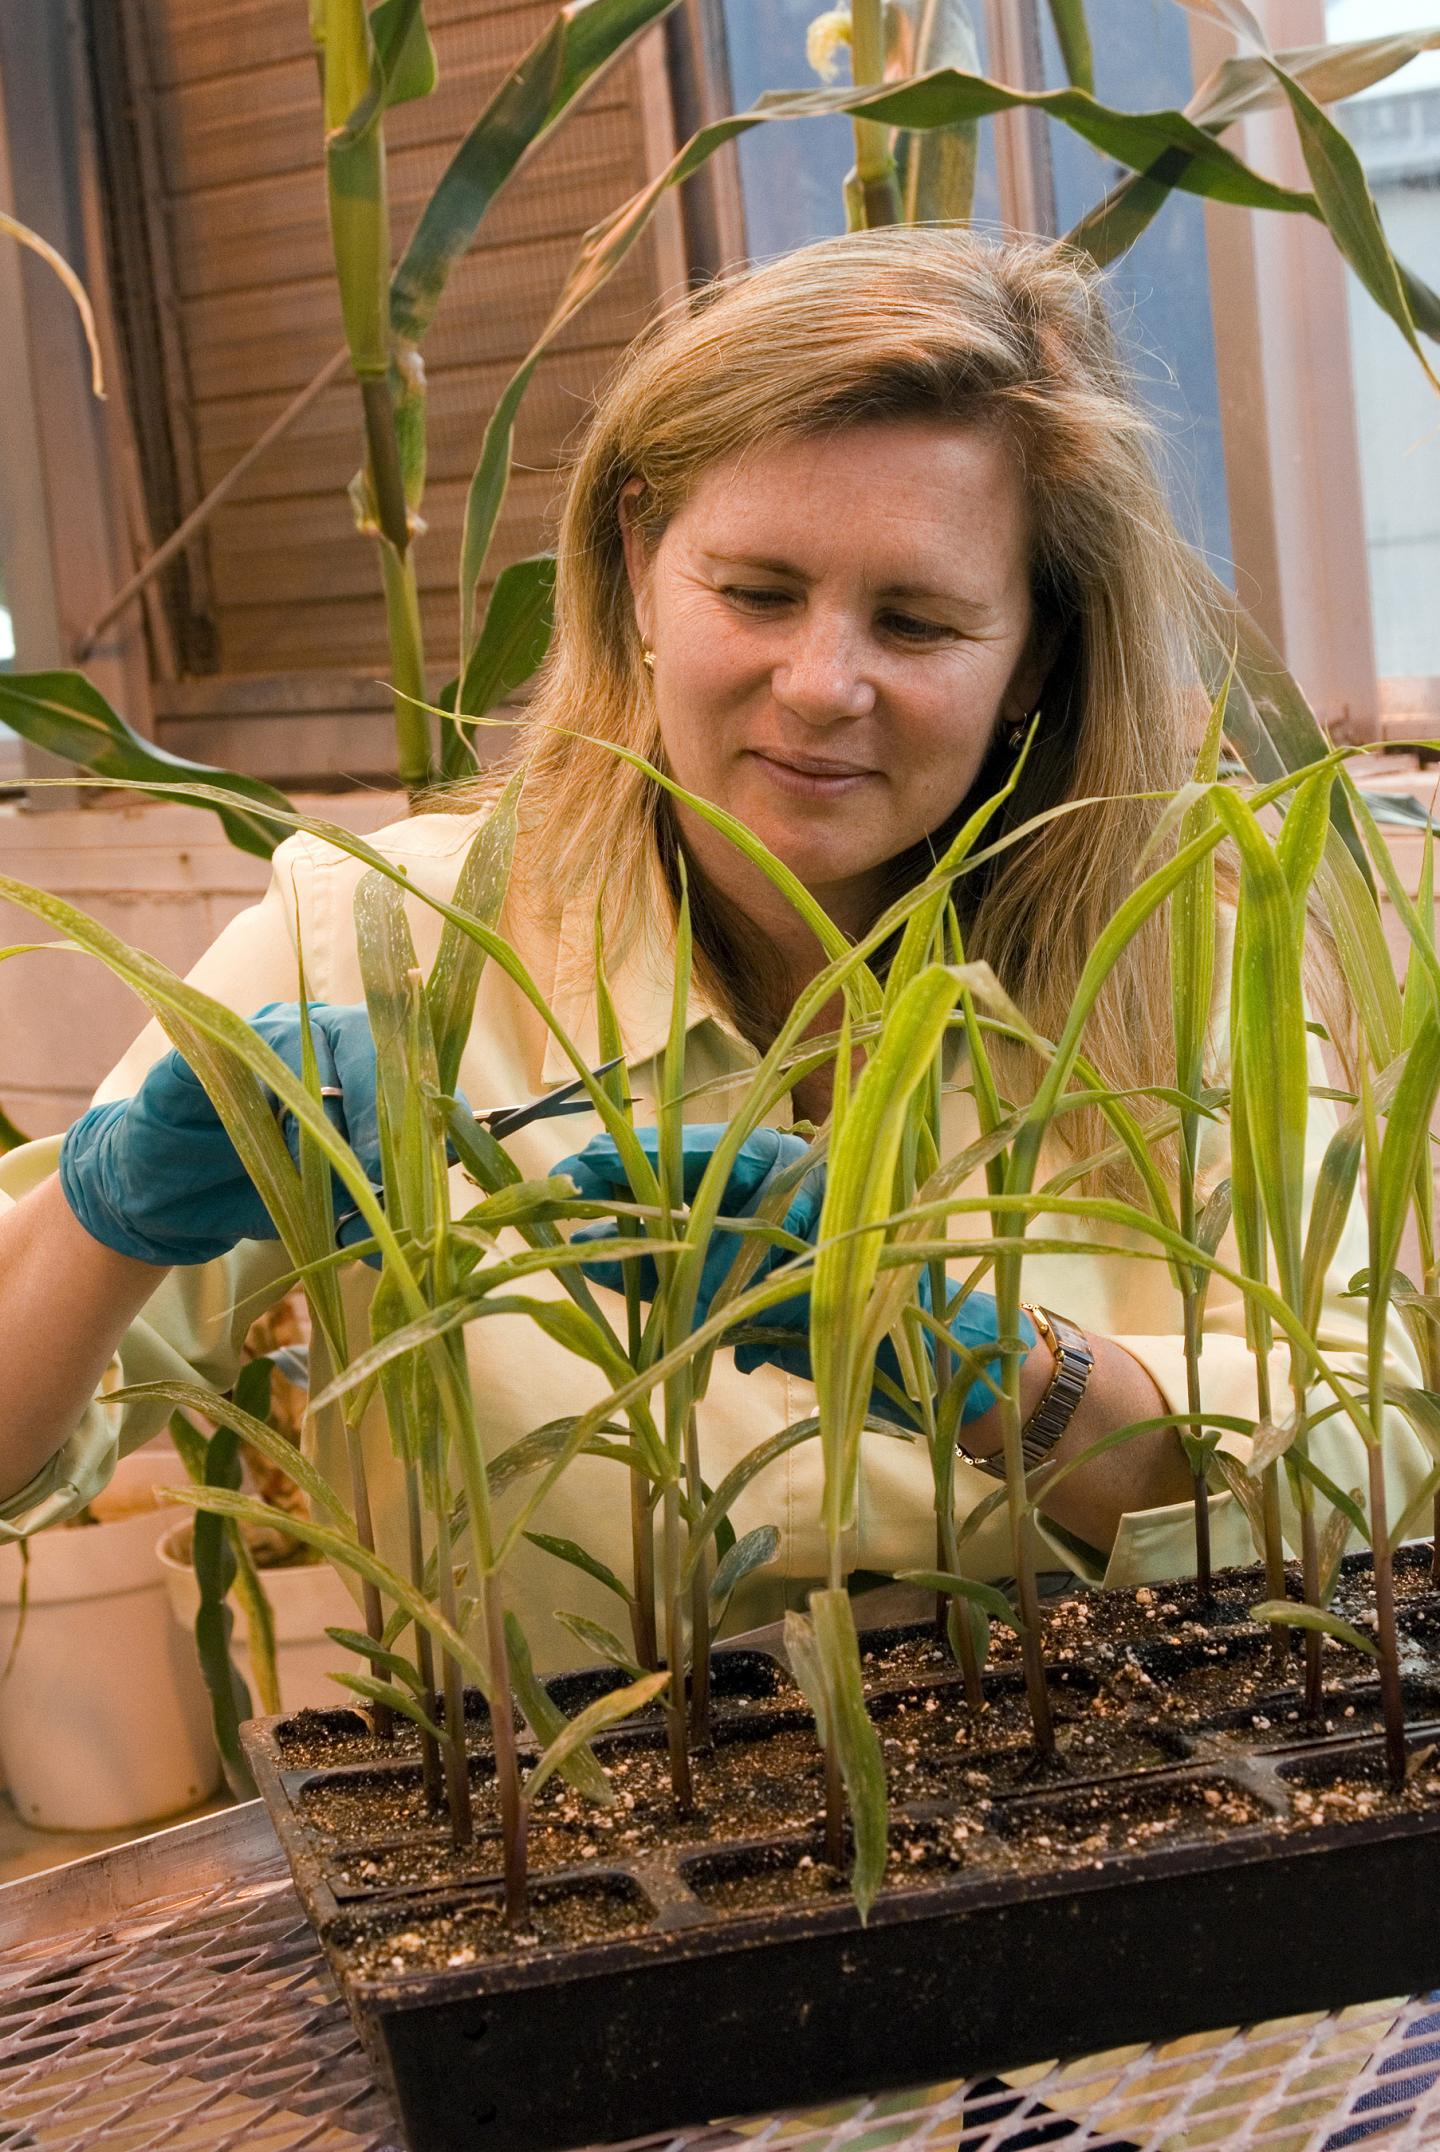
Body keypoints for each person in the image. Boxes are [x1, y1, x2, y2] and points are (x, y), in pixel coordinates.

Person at [0, 229, 1425, 1664]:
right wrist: (102, 1220)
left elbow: (1376, 1472)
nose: (820, 687)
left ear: (1033, 660)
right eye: (755, 593)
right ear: (637, 564)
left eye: (919, 622)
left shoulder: (1181, 966)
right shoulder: (381, 943)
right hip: (551, 1837)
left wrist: (998, 1372)